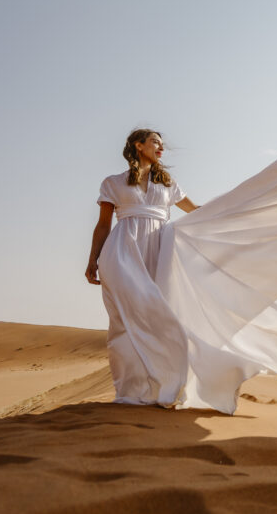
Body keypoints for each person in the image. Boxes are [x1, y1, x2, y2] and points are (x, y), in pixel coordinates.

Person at [85, 128, 199, 406]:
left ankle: (166, 385)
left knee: (162, 316)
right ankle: (130, 391)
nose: (161, 148)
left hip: (160, 251)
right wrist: (92, 259)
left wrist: (232, 210)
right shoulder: (113, 183)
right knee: (124, 320)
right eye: (155, 142)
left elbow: (196, 211)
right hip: (121, 254)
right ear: (138, 146)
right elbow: (103, 225)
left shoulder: (168, 183)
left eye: (161, 144)